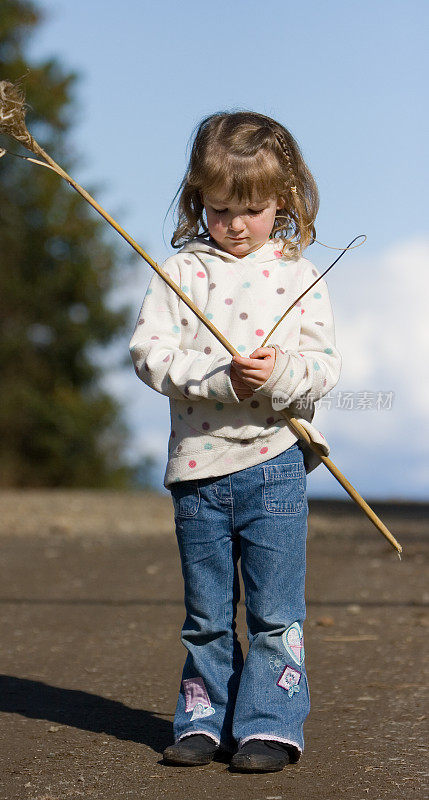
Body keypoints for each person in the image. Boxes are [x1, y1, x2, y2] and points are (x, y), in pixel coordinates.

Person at [129, 111, 341, 773]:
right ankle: (201, 718)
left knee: (276, 612)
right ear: (198, 201)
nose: (235, 224)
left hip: (274, 464)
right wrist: (219, 376)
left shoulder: (300, 275)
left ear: (281, 202)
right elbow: (149, 355)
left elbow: (323, 367)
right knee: (207, 614)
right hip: (197, 470)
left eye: (250, 209)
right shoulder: (181, 273)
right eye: (219, 209)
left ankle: (270, 725)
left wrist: (275, 373)